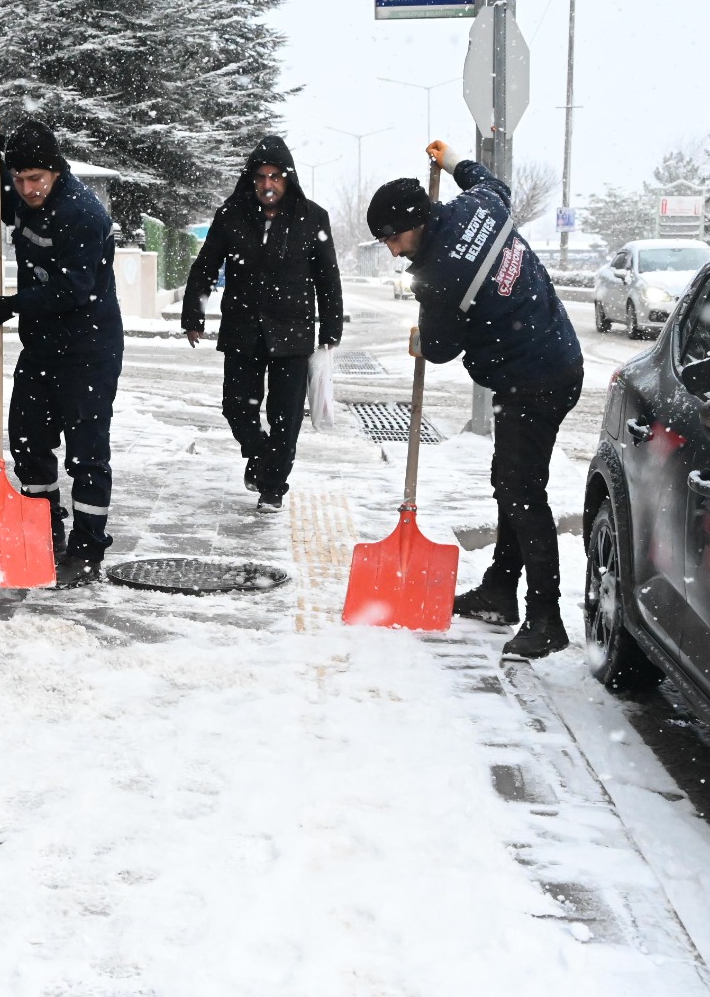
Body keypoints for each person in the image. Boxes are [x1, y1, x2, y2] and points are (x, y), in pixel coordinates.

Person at [366, 140, 584, 660]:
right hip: (555, 359)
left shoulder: (439, 276)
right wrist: (453, 161)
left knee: (521, 491)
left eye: (393, 238)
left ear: (416, 222)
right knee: (512, 483)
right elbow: (492, 183)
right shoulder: (478, 206)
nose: (392, 250)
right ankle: (499, 590)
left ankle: (547, 619)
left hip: (532, 379)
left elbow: (441, 348)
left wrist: (423, 334)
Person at [0, 120, 124, 587]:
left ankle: (87, 548)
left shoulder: (83, 214)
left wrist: (14, 304)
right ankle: (42, 530)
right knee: (28, 441)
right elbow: (5, 203)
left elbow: (73, 290)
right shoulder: (26, 197)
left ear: (57, 170)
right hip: (42, 348)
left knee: (86, 455)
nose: (27, 189)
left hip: (88, 351)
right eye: (19, 179)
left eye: (36, 178)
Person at [182, 136, 343, 511]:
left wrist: (331, 329)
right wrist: (193, 314)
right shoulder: (232, 214)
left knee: (286, 417)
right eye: (261, 177)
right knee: (236, 407)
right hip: (242, 329)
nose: (267, 184)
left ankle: (273, 486)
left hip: (293, 332)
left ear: (288, 179)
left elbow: (328, 278)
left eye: (275, 177)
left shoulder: (312, 217)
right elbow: (205, 267)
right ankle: (258, 455)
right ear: (251, 179)